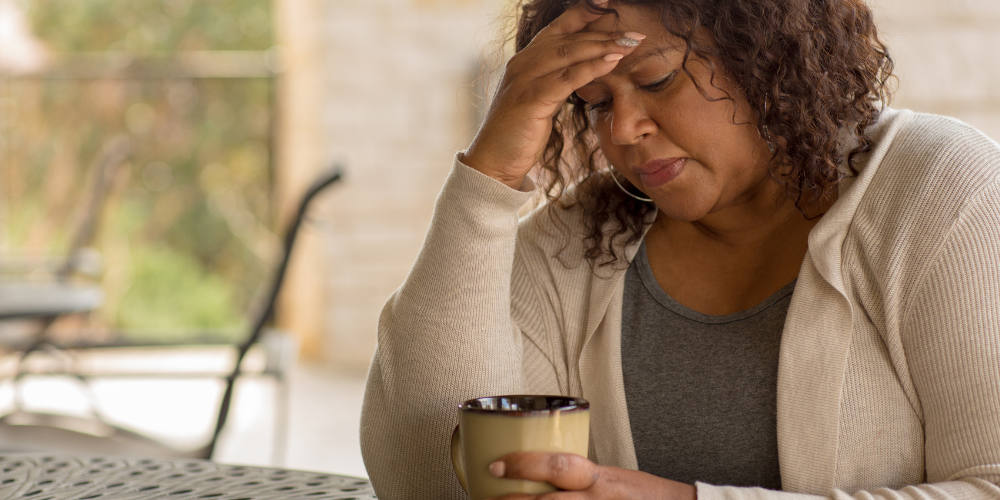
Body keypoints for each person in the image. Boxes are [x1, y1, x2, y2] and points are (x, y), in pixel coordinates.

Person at [360, 0, 1000, 498]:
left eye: (658, 79)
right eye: (595, 103)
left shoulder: (941, 195)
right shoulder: (579, 240)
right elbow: (426, 479)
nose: (624, 130)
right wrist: (491, 176)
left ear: (765, 53)